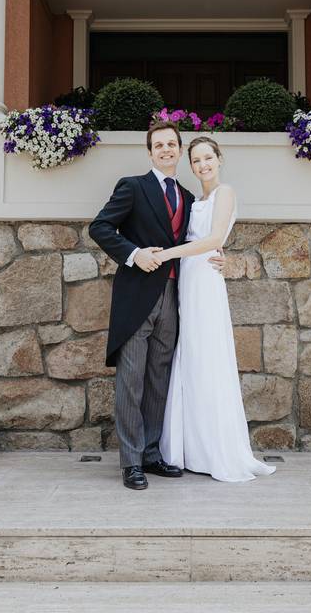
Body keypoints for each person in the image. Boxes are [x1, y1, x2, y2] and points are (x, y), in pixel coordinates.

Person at [88, 121, 224, 490]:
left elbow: (199, 242)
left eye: (171, 145)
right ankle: (131, 462)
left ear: (180, 151)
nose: (165, 150)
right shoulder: (132, 187)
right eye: (158, 145)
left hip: (175, 298)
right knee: (130, 381)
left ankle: (151, 453)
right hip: (137, 298)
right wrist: (133, 254)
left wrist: (221, 256)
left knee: (159, 380)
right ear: (150, 153)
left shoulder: (188, 197)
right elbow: (100, 227)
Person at [156, 136, 276, 482]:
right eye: (195, 161)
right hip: (188, 281)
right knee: (191, 357)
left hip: (205, 281)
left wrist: (165, 254)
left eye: (208, 157)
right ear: (190, 166)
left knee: (208, 357)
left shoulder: (225, 193)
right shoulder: (196, 199)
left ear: (219, 158)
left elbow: (213, 239)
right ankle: (191, 449)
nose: (203, 165)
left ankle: (217, 451)